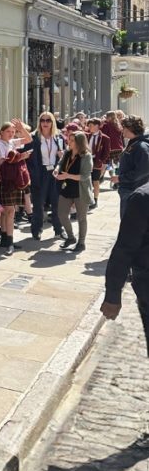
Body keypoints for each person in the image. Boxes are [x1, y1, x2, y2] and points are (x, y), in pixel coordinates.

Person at [101, 180, 149, 347]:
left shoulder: (142, 196)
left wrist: (112, 295)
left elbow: (125, 249)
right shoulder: (143, 198)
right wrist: (113, 293)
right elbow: (125, 248)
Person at [19, 112, 67, 244]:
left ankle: (59, 229)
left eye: (48, 120)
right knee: (38, 204)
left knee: (57, 203)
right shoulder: (34, 137)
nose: (45, 123)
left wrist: (62, 155)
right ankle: (36, 230)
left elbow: (65, 155)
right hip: (39, 174)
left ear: (52, 122)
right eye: (42, 120)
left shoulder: (59, 137)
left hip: (55, 173)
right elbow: (24, 152)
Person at [0, 120, 32, 256]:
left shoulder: (11, 142)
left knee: (8, 211)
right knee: (9, 212)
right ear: (1, 132)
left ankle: (5, 240)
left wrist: (21, 128)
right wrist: (21, 157)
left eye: (13, 131)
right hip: (6, 180)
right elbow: (3, 161)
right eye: (8, 131)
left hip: (13, 179)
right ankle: (9, 242)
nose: (11, 134)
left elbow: (29, 139)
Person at [54, 130, 93, 252]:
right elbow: (60, 163)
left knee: (81, 218)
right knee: (61, 214)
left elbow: (85, 176)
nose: (69, 142)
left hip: (80, 190)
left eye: (72, 140)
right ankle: (71, 237)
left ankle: (81, 243)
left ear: (79, 143)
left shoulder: (86, 156)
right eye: (68, 140)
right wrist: (56, 169)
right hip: (66, 188)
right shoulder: (67, 152)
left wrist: (67, 176)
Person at [113, 115, 149, 217]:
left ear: (130, 128)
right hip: (129, 189)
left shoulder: (141, 147)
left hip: (133, 190)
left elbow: (142, 171)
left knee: (130, 221)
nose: (122, 130)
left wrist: (120, 178)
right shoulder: (134, 142)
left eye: (123, 127)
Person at [85, 117, 111, 208]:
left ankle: (95, 200)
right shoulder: (87, 136)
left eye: (91, 125)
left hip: (96, 162)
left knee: (95, 181)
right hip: (86, 161)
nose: (89, 127)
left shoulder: (105, 138)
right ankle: (87, 198)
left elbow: (106, 152)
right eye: (88, 125)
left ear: (97, 126)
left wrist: (102, 163)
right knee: (86, 180)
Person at [101, 110, 125, 174]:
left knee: (108, 165)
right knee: (118, 165)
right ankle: (117, 176)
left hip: (110, 148)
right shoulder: (118, 125)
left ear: (109, 117)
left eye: (106, 117)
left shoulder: (106, 125)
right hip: (119, 147)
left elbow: (103, 135)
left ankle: (109, 177)